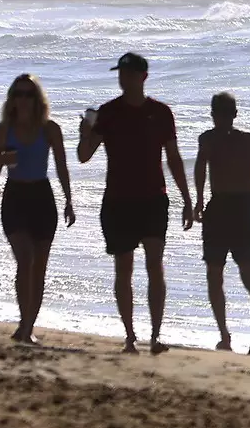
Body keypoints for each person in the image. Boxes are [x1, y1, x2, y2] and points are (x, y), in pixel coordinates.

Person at [77, 52, 192, 353]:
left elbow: (174, 158)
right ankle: (130, 335)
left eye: (128, 73)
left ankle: (155, 335)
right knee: (123, 269)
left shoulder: (161, 112)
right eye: (120, 73)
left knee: (155, 265)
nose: (123, 78)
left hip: (154, 198)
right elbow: (84, 156)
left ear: (143, 76)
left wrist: (188, 199)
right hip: (118, 200)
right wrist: (84, 133)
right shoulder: (108, 112)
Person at [0, 73, 75, 344]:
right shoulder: (2, 131)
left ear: (38, 100)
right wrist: (3, 158)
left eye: (29, 95)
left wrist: (69, 200)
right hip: (15, 198)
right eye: (18, 94)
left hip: (42, 198)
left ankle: (28, 327)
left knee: (39, 269)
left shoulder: (50, 129)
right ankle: (24, 325)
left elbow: (61, 166)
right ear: (11, 100)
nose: (23, 100)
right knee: (25, 260)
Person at [193, 91, 250, 354]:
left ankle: (226, 335)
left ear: (214, 114)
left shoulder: (207, 139)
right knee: (245, 274)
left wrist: (199, 201)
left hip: (221, 207)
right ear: (235, 114)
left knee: (216, 273)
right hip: (244, 207)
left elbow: (201, 169)